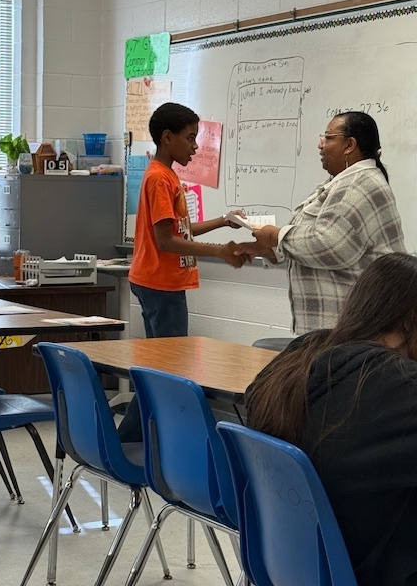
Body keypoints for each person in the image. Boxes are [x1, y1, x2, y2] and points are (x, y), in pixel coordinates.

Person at [245, 252, 417, 586]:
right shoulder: (401, 388)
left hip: (289, 563)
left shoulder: (297, 356)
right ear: (410, 320)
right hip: (370, 568)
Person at [119, 102, 246, 441]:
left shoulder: (166, 174)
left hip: (158, 282)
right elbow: (167, 241)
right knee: (166, 368)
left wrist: (223, 221)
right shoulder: (160, 179)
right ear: (167, 137)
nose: (196, 147)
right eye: (190, 139)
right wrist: (220, 252)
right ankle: (131, 435)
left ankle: (141, 432)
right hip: (160, 284)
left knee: (163, 366)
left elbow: (181, 232)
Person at [235, 111, 406, 334]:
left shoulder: (361, 183)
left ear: (349, 145)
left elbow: (330, 246)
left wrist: (277, 236)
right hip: (335, 328)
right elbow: (315, 239)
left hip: (354, 328)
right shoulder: (340, 182)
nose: (320, 144)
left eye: (328, 137)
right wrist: (272, 249)